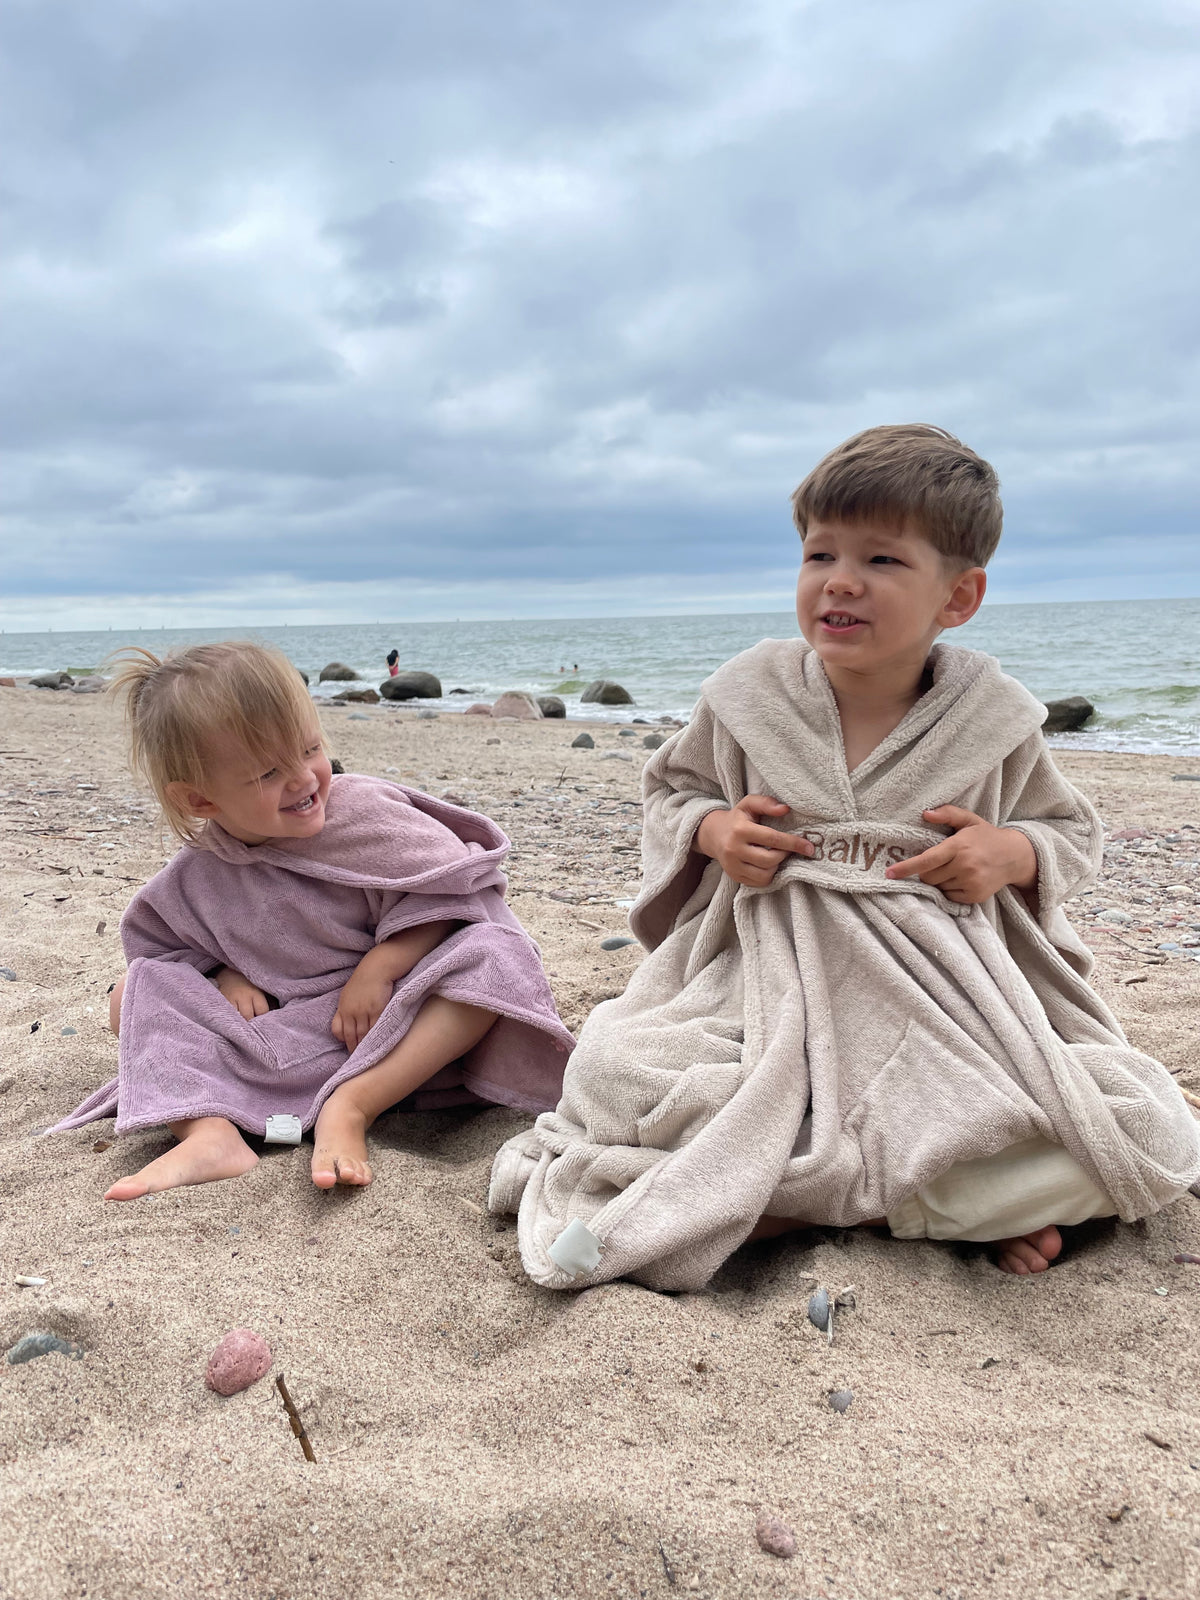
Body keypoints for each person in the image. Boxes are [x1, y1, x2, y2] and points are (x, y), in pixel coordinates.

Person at [490, 424, 1200, 1289]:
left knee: (1147, 1128)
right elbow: (671, 792)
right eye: (819, 553)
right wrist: (714, 833)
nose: (840, 580)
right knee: (614, 1074)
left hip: (943, 993)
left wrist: (1008, 852)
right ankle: (928, 1209)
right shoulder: (747, 698)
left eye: (883, 560)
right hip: (762, 972)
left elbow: (1069, 830)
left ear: (959, 596)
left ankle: (789, 1207)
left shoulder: (994, 720)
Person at [52, 641, 573, 1200]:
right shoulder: (199, 874)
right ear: (201, 800)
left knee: (496, 956)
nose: (303, 779)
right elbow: (164, 948)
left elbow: (454, 899)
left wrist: (382, 964)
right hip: (294, 1037)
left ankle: (353, 1105)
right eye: (270, 772)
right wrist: (226, 977)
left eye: (310, 749)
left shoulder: (367, 816)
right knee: (132, 992)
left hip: (400, 1027)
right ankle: (210, 1132)